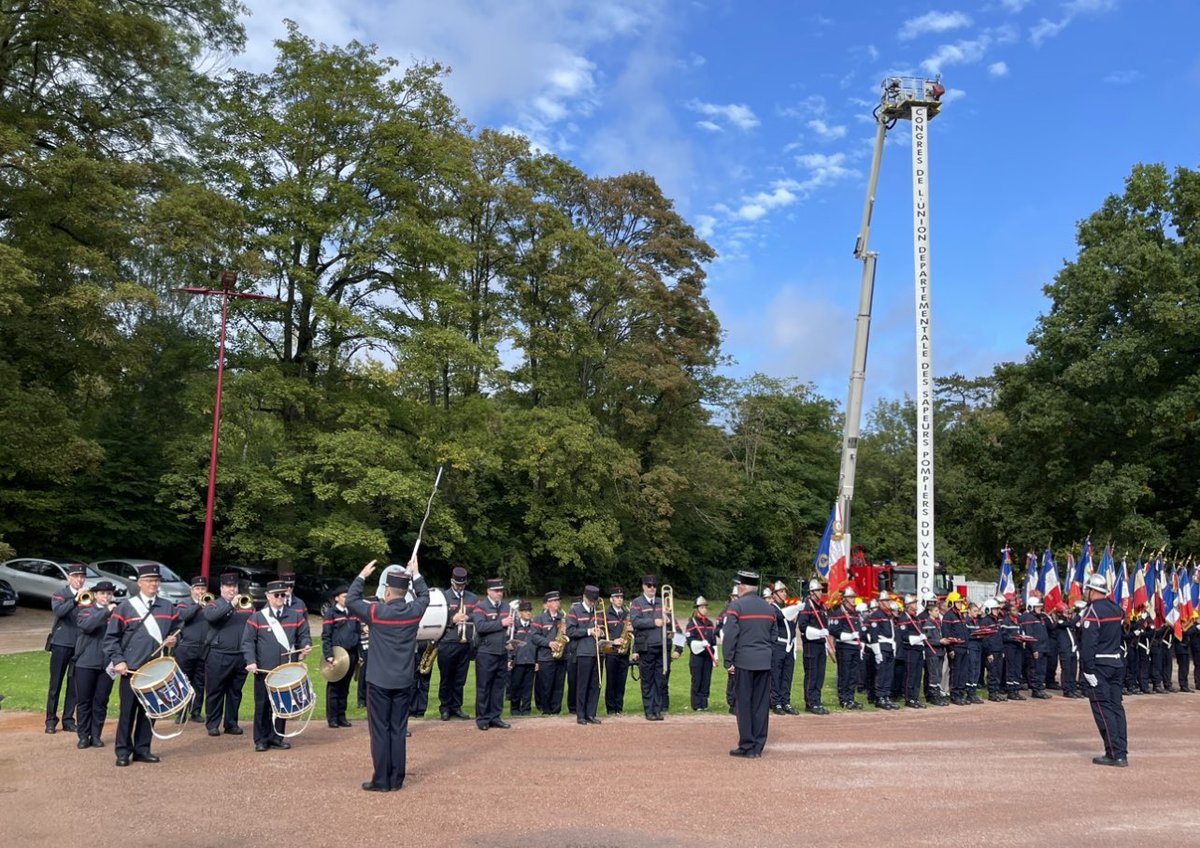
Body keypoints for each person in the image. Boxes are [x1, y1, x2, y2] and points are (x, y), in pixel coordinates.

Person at [347, 558, 429, 791]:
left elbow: (352, 600)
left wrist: (362, 575)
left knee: (380, 731)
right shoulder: (413, 611)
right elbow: (425, 597)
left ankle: (382, 780)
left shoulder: (377, 611)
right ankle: (397, 779)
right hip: (403, 681)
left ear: (387, 591)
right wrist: (416, 573)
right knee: (398, 730)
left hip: (379, 681)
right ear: (404, 592)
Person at [103, 562, 181, 767]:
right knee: (127, 712)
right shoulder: (125, 607)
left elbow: (177, 629)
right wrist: (118, 661)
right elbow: (111, 638)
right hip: (131, 668)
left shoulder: (167, 606)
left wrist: (174, 639)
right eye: (149, 580)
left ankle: (142, 749)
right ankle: (122, 751)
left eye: (156, 580)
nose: (153, 584)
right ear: (140, 583)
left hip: (155, 669)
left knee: (150, 712)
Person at [242, 579, 312, 751]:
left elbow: (304, 634)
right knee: (263, 705)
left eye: (283, 594)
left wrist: (305, 644)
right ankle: (261, 739)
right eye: (277, 595)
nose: (280, 597)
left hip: (287, 669)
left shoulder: (295, 615)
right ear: (268, 596)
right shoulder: (257, 617)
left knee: (283, 705)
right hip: (264, 670)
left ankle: (277, 737)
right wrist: (251, 661)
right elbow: (248, 642)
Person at [722, 571, 776, 758]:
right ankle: (758, 746)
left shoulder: (736, 606)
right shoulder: (769, 608)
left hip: (744, 661)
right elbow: (774, 637)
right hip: (764, 662)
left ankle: (747, 744)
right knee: (761, 704)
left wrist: (728, 660)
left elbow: (730, 635)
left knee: (743, 703)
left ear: (743, 586)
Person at [1080, 572, 1128, 766]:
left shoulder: (1092, 611)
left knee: (1103, 708)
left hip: (1100, 665)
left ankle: (1114, 753)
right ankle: (1121, 751)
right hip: (1117, 662)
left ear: (1092, 590)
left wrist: (1087, 669)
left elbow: (1089, 643)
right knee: (1117, 708)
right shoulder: (1116, 609)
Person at [202, 572, 253, 736]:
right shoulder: (214, 605)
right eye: (229, 586)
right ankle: (212, 724)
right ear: (222, 588)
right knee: (215, 690)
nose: (232, 589)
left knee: (235, 692)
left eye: (235, 586)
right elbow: (211, 617)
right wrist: (231, 604)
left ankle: (231, 723)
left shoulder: (246, 605)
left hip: (240, 655)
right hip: (219, 654)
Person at [72, 581, 118, 749]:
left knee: (101, 701)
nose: (106, 596)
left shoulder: (117, 613)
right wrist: (106, 612)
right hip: (86, 662)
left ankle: (96, 734)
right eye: (102, 593)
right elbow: (87, 626)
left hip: (108, 664)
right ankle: (83, 735)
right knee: (84, 701)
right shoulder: (85, 611)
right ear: (96, 595)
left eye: (108, 594)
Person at [46, 563, 87, 734]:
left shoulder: (88, 595)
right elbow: (59, 612)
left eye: (82, 576)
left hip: (79, 645)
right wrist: (76, 600)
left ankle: (68, 719)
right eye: (76, 576)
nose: (79, 579)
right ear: (69, 578)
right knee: (55, 684)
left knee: (74, 685)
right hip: (61, 643)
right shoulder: (60, 594)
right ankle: (50, 720)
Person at [471, 577, 513, 730]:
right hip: (486, 652)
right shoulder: (480, 607)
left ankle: (495, 716)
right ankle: (482, 719)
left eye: (501, 591)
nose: (499, 594)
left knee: (498, 687)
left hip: (502, 651)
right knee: (484, 686)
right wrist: (501, 623)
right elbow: (480, 626)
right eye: (496, 591)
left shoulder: (507, 607)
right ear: (488, 591)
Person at [437, 566, 476, 721]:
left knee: (460, 678)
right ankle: (445, 707)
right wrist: (452, 619)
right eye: (457, 584)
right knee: (446, 678)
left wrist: (469, 616)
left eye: (462, 585)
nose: (460, 587)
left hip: (465, 643)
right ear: (451, 582)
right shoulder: (443, 597)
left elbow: (479, 614)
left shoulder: (472, 598)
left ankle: (456, 706)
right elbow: (437, 618)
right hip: (448, 642)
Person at [322, 583, 362, 728]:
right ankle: (332, 718)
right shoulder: (331, 614)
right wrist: (328, 655)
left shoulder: (353, 612)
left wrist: (359, 654)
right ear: (337, 598)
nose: (347, 598)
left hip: (351, 654)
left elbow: (358, 633)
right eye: (345, 596)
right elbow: (326, 636)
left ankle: (341, 716)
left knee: (345, 687)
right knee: (334, 687)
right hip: (337, 654)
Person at [630, 575, 670, 720]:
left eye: (654, 585)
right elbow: (635, 622)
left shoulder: (661, 602)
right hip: (646, 646)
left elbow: (669, 621)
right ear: (643, 586)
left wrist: (668, 619)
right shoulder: (637, 602)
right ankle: (649, 710)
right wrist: (654, 622)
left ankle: (657, 710)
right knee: (647, 680)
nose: (652, 588)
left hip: (661, 644)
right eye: (649, 585)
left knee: (659, 679)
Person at [173, 576, 209, 724]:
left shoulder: (210, 604)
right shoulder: (183, 604)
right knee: (183, 681)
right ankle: (181, 712)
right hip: (186, 648)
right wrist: (198, 605)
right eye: (197, 588)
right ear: (192, 590)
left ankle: (196, 711)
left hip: (203, 648)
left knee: (200, 682)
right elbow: (184, 616)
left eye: (202, 589)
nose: (200, 591)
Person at [568, 585, 604, 725]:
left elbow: (602, 629)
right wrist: (589, 632)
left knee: (596, 684)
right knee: (582, 685)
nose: (592, 603)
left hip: (597, 652)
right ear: (584, 597)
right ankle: (581, 715)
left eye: (594, 600)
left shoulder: (598, 611)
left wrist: (601, 633)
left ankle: (591, 713)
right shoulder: (575, 611)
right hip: (583, 652)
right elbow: (570, 631)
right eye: (590, 600)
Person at [796, 578, 832, 715]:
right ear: (812, 592)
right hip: (811, 644)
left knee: (820, 674)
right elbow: (803, 627)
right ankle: (811, 702)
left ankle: (817, 699)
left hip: (821, 644)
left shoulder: (822, 606)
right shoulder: (807, 606)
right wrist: (818, 633)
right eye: (818, 590)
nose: (821, 592)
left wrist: (826, 642)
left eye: (821, 590)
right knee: (812, 673)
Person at [766, 580, 799, 715]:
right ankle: (776, 702)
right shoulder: (772, 608)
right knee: (776, 675)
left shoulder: (787, 608)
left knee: (787, 676)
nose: (784, 594)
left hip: (789, 645)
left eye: (785, 591)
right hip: (778, 645)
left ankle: (786, 701)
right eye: (781, 591)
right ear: (774, 595)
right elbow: (779, 616)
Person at [532, 590, 567, 714]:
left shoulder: (562, 618)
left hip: (561, 657)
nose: (557, 603)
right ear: (548, 603)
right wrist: (549, 643)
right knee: (546, 685)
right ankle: (546, 710)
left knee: (559, 685)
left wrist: (565, 632)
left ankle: (556, 710)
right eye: (554, 601)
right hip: (546, 657)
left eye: (558, 600)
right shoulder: (539, 618)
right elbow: (534, 636)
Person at [865, 592, 900, 710]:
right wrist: (877, 652)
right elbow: (873, 634)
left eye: (889, 600)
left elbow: (892, 633)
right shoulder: (876, 615)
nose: (888, 602)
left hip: (889, 646)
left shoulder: (887, 615)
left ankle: (886, 695)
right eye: (886, 600)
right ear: (880, 602)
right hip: (881, 646)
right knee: (881, 673)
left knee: (889, 674)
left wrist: (893, 646)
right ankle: (880, 697)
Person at [685, 597, 717, 711]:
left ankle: (704, 703)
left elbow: (713, 642)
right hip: (697, 657)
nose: (705, 610)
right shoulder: (691, 623)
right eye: (702, 607)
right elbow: (690, 642)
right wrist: (701, 644)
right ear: (697, 609)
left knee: (706, 680)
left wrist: (715, 657)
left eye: (705, 607)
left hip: (708, 657)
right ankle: (697, 704)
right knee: (697, 680)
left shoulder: (709, 623)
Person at [603, 587, 630, 715]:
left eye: (621, 597)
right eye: (617, 597)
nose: (620, 599)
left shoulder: (627, 613)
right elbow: (603, 635)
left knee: (621, 681)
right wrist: (614, 641)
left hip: (624, 652)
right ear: (611, 599)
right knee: (611, 681)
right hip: (611, 651)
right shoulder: (605, 614)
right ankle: (611, 708)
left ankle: (619, 708)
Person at [507, 600, 537, 715]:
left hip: (530, 660)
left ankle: (526, 709)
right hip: (517, 661)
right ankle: (514, 709)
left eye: (529, 611)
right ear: (520, 613)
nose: (528, 613)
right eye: (525, 611)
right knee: (515, 686)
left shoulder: (534, 626)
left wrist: (537, 660)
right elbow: (509, 643)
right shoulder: (514, 626)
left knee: (528, 687)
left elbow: (537, 644)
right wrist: (509, 659)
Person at [940, 591, 970, 705]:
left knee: (963, 672)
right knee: (956, 672)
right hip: (955, 648)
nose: (959, 603)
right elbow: (946, 633)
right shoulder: (949, 616)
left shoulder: (961, 615)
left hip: (964, 647)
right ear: (952, 603)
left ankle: (961, 693)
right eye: (957, 602)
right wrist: (950, 649)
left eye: (960, 602)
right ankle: (955, 695)